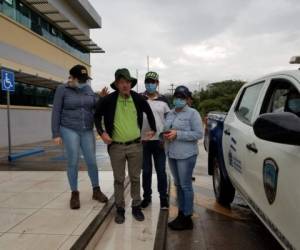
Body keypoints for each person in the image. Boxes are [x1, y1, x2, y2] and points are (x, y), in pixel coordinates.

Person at [94, 68, 157, 224]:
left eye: (127, 82)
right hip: (116, 146)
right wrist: (102, 133)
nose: (125, 85)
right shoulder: (108, 99)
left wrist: (153, 129)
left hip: (135, 145)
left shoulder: (138, 98)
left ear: (131, 84)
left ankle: (136, 206)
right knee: (119, 179)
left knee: (135, 178)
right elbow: (96, 116)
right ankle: (120, 209)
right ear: (116, 84)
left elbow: (149, 113)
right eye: (121, 82)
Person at [51, 64, 108, 210]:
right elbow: (56, 111)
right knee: (73, 161)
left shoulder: (88, 89)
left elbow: (94, 106)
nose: (84, 82)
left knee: (91, 161)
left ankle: (96, 190)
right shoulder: (62, 90)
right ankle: (74, 193)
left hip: (87, 129)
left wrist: (100, 98)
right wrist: (56, 133)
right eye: (81, 79)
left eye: (85, 79)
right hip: (69, 128)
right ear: (73, 78)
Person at [163, 85, 203, 230]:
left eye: (182, 97)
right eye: (176, 97)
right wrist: (164, 134)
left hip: (186, 155)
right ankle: (181, 213)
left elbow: (199, 134)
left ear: (187, 99)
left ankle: (187, 217)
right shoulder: (170, 113)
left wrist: (178, 134)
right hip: (172, 153)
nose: (178, 100)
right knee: (178, 185)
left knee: (185, 185)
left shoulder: (193, 114)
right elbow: (166, 129)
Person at [140, 71, 170, 210]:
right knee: (146, 171)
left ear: (157, 84)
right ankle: (147, 197)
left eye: (152, 82)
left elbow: (168, 120)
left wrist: (165, 137)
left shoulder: (164, 100)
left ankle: (163, 198)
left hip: (159, 142)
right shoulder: (139, 98)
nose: (150, 84)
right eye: (148, 82)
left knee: (161, 171)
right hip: (143, 141)